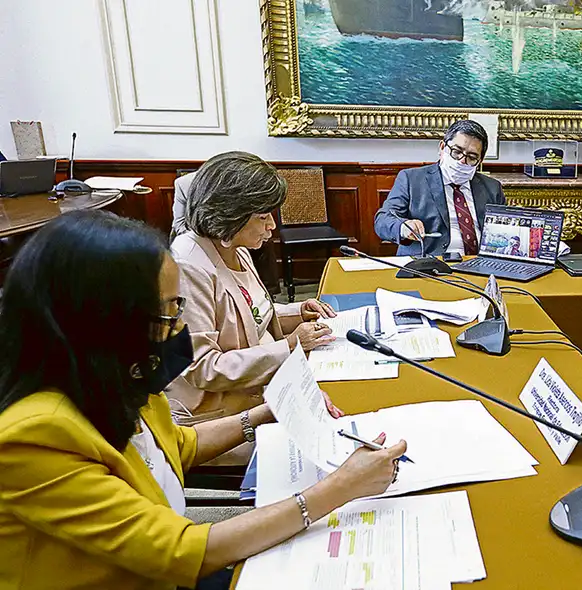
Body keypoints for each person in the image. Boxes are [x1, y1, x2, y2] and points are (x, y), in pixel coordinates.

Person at [0, 210, 406, 589]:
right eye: (168, 315)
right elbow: (182, 550)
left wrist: (264, 414)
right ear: (99, 322)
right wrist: (339, 488)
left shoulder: (117, 381)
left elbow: (176, 446)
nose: (180, 329)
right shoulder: (36, 436)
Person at [170, 152, 340, 429]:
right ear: (230, 216)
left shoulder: (233, 243)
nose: (272, 226)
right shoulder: (187, 266)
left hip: (262, 386)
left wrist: (298, 311)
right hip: (221, 416)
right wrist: (289, 345)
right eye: (263, 217)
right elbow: (202, 368)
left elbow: (250, 316)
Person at [374, 119, 505, 257]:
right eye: (456, 151)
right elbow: (383, 220)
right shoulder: (411, 179)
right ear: (442, 147)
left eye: (471, 157)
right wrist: (403, 227)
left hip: (480, 264)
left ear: (480, 161)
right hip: (428, 263)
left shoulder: (492, 188)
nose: (461, 161)